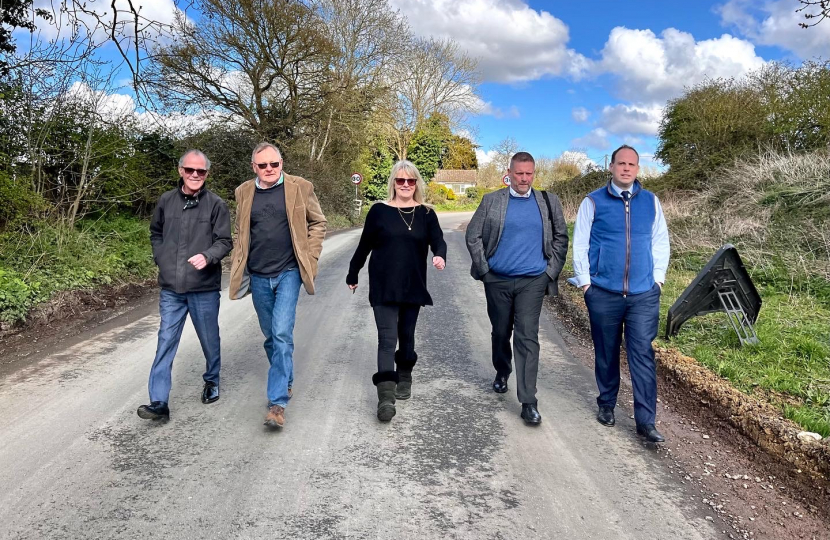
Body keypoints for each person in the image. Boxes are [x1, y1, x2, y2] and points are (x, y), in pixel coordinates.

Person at [572, 144, 670, 443]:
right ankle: (606, 404)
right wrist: (586, 284)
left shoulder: (651, 202)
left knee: (642, 353)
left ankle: (646, 421)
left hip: (643, 294)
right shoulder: (593, 202)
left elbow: (660, 242)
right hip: (604, 292)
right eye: (621, 163)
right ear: (611, 167)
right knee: (606, 351)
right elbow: (580, 244)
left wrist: (658, 280)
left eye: (632, 164)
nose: (626, 168)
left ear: (638, 169)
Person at [228, 143, 327, 429]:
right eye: (263, 165)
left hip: (289, 272)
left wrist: (310, 255)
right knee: (271, 336)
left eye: (274, 164)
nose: (269, 169)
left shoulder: (301, 187)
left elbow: (318, 223)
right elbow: (240, 229)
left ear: (281, 163)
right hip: (258, 274)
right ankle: (287, 379)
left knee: (282, 332)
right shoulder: (244, 192)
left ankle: (277, 403)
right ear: (254, 167)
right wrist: (238, 255)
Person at [465, 151, 568, 425]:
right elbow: (472, 235)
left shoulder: (548, 201)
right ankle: (502, 371)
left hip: (532, 281)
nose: (524, 178)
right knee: (501, 332)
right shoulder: (492, 201)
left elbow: (561, 237)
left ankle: (528, 401)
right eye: (519, 173)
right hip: (497, 279)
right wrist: (485, 270)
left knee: (527, 337)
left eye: (528, 173)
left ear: (534, 174)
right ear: (509, 173)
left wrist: (550, 272)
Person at [346, 160, 447, 422]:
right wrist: (353, 271)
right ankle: (385, 398)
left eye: (410, 181)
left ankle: (405, 374)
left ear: (416, 184)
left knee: (406, 337)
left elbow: (438, 240)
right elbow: (364, 245)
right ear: (393, 183)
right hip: (383, 284)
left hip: (413, 284)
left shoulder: (426, 213)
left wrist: (440, 256)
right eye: (400, 180)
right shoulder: (379, 211)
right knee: (386, 339)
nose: (405, 185)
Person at [138, 150, 233, 421]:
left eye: (200, 171)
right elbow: (156, 232)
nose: (195, 175)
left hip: (203, 288)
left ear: (206, 174)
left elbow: (225, 241)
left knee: (208, 339)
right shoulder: (166, 201)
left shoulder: (216, 204)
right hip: (171, 288)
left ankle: (212, 379)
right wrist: (161, 258)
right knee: (165, 341)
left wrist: (208, 256)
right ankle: (158, 402)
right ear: (180, 170)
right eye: (190, 170)